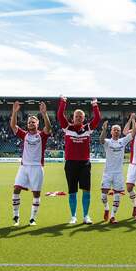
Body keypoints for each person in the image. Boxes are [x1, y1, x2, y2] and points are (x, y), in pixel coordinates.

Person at [57, 96, 101, 224]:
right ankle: (73, 216)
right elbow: (60, 115)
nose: (78, 118)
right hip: (70, 163)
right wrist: (63, 102)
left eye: (81, 117)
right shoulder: (67, 127)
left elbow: (97, 118)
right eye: (76, 116)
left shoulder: (87, 128)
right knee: (72, 191)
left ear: (83, 119)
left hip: (84, 163)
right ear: (73, 118)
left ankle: (86, 216)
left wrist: (94, 104)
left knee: (86, 190)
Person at [10, 101, 51, 226]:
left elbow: (48, 128)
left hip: (37, 167)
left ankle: (32, 218)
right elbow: (13, 126)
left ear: (37, 124)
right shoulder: (25, 135)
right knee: (16, 189)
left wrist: (44, 114)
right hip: (24, 167)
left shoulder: (42, 136)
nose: (31, 124)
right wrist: (14, 112)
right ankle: (16, 216)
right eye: (29, 122)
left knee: (36, 193)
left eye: (33, 122)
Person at [99, 115, 135, 224]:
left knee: (117, 194)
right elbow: (101, 140)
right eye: (114, 130)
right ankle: (106, 208)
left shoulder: (123, 141)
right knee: (104, 195)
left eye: (118, 130)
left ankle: (113, 216)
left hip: (118, 173)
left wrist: (132, 120)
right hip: (108, 172)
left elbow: (133, 133)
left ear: (120, 132)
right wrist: (104, 129)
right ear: (111, 132)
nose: (116, 131)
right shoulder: (107, 142)